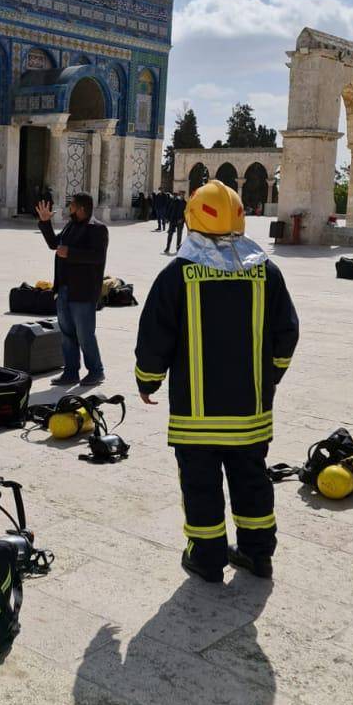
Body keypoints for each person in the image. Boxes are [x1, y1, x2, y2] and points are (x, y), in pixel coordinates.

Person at [135, 180, 300, 582]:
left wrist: (148, 380)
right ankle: (257, 554)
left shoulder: (177, 275)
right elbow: (287, 333)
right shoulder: (267, 273)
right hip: (250, 411)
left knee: (201, 486)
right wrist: (271, 377)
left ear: (192, 219)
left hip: (197, 415)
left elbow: (156, 335)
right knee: (252, 482)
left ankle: (207, 559)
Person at [36, 190, 108, 387]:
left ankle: (96, 370)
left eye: (72, 205)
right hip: (64, 289)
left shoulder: (97, 229)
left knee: (84, 334)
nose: (69, 208)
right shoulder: (71, 225)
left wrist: (71, 253)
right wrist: (45, 223)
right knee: (67, 334)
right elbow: (54, 244)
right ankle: (70, 372)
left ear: (82, 208)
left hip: (83, 292)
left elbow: (97, 257)